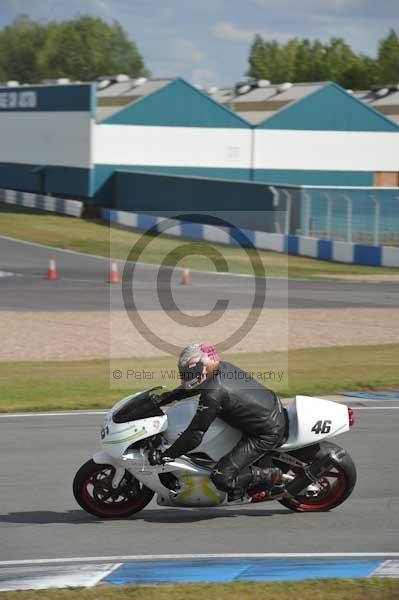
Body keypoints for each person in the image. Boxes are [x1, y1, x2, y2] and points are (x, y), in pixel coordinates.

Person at [150, 342, 287, 500]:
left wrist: (167, 456)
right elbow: (192, 387)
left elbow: (195, 434)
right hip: (268, 407)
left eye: (188, 373)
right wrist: (161, 399)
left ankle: (270, 476)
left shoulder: (213, 395)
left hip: (265, 432)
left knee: (221, 477)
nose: (185, 377)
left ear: (202, 369)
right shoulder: (220, 369)